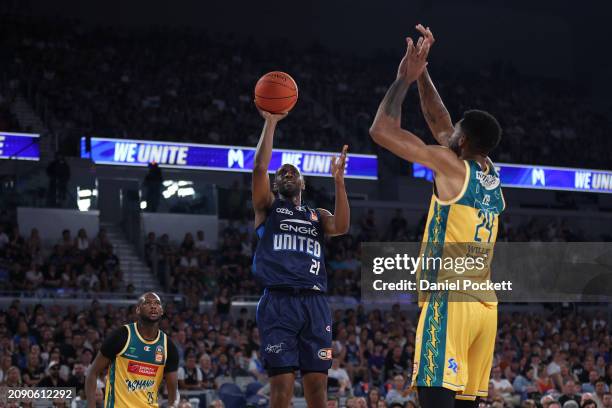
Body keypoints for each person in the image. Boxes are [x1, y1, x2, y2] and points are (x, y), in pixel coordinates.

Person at [369, 24, 504, 408]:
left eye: (454, 134)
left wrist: (403, 80)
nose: (447, 133)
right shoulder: (489, 171)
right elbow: (441, 120)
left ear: (461, 143)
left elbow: (381, 130)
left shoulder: (450, 166)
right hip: (485, 307)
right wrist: (423, 69)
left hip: (450, 299)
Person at [251, 105, 350, 408]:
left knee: (317, 388)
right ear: (276, 183)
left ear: (303, 184)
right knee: (281, 388)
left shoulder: (317, 215)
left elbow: (343, 226)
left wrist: (339, 182)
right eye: (281, 172)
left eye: (293, 172)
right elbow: (258, 168)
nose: (287, 173)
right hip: (279, 301)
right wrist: (270, 123)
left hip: (315, 302)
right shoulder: (267, 208)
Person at [85, 292, 179, 407]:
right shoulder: (121, 335)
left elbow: (172, 388)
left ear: (162, 311)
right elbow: (92, 372)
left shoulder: (168, 346)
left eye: (157, 303)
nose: (153, 306)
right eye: (148, 303)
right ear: (138, 310)